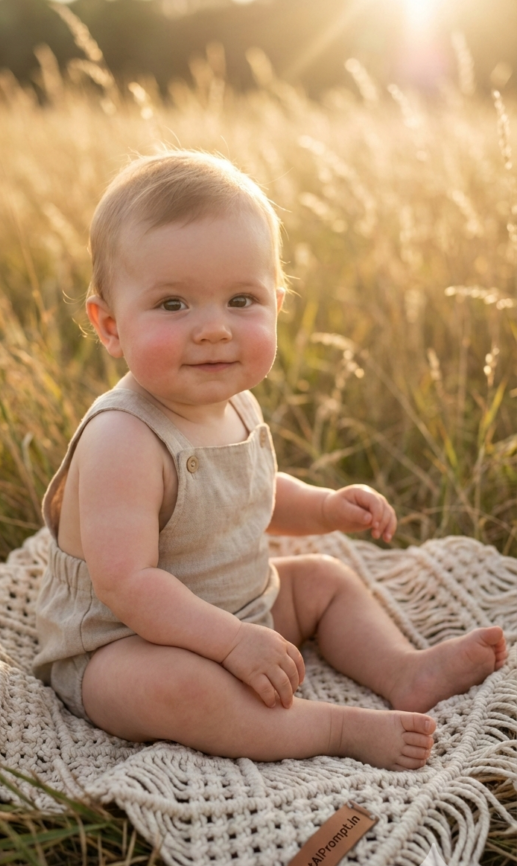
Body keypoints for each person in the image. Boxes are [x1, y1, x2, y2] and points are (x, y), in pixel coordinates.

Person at [33, 151, 507, 770]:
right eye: (173, 304)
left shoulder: (236, 403)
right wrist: (232, 643)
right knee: (183, 690)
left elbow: (250, 491)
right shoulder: (121, 438)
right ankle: (334, 727)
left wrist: (325, 507)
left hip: (243, 609)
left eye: (241, 299)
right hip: (123, 643)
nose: (214, 329)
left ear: (277, 304)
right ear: (110, 325)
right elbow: (128, 585)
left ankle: (403, 672)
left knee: (324, 580)